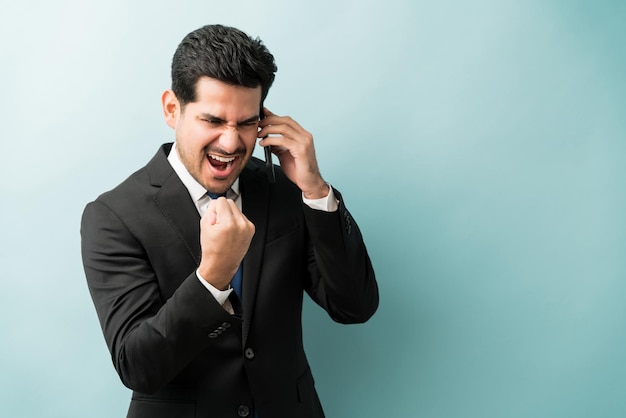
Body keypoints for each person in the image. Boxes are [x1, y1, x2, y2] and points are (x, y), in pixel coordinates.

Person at [81, 24, 378, 418]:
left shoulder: (283, 188)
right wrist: (212, 280)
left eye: (245, 123)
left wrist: (315, 191)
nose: (231, 142)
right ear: (173, 109)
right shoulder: (113, 216)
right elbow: (138, 365)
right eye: (214, 121)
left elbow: (353, 306)